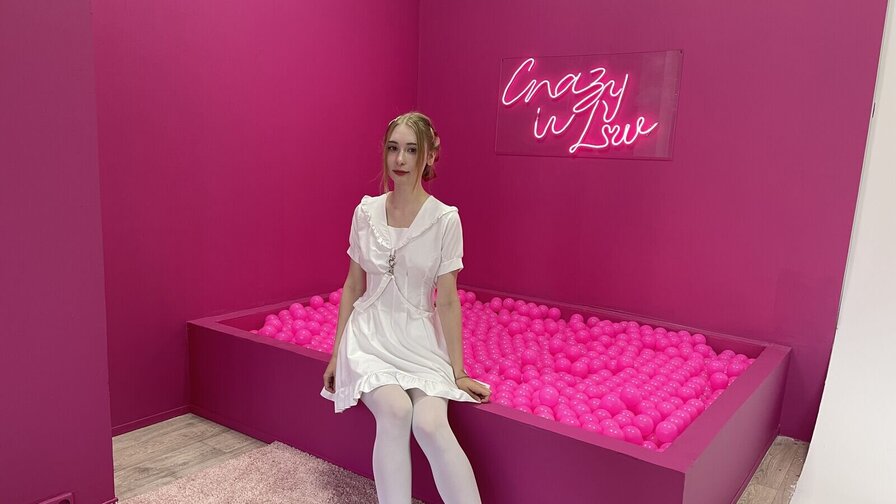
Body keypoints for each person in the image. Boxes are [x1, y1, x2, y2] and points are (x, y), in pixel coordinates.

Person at [320, 111, 491, 504]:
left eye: (412, 150)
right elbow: (353, 285)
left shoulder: (445, 220)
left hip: (419, 340)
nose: (400, 159)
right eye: (393, 148)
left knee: (431, 424)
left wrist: (458, 371)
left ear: (429, 156)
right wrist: (336, 353)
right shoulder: (365, 213)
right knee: (395, 411)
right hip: (369, 336)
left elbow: (447, 300)